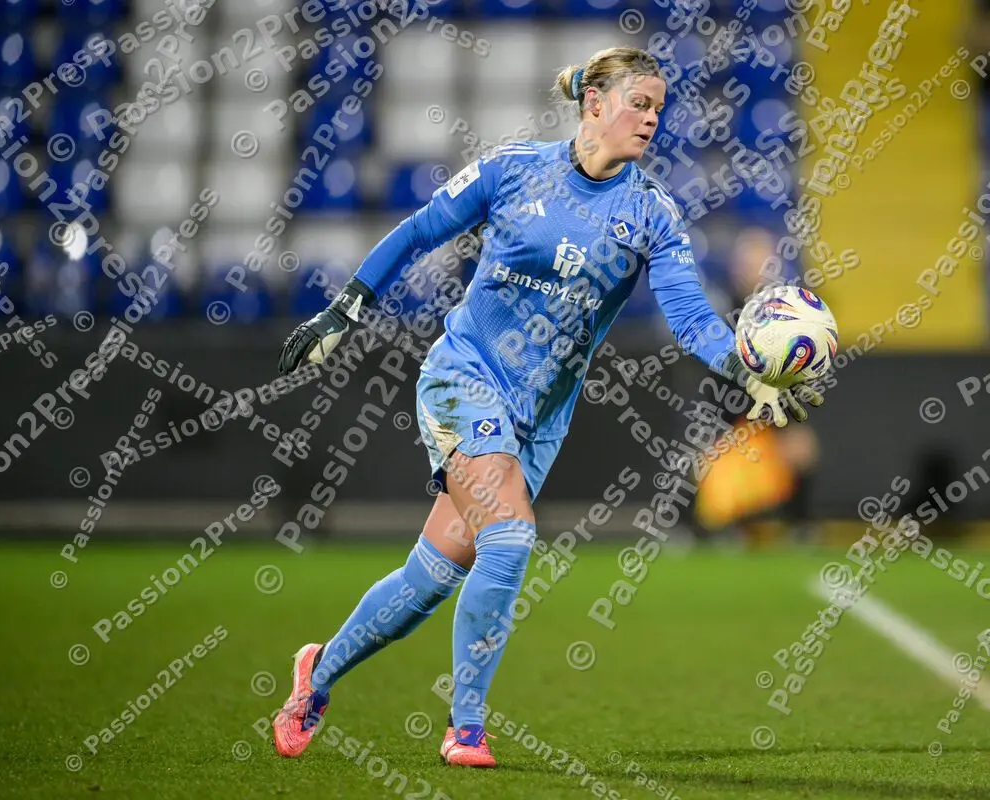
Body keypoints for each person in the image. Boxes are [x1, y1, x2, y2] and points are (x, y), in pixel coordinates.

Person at [271, 46, 824, 769]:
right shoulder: (512, 171)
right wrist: (342, 312)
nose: (652, 119)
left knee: (429, 578)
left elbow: (689, 316)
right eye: (640, 103)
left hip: (539, 416)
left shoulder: (652, 213)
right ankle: (465, 728)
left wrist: (749, 366)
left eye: (659, 107)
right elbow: (417, 232)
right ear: (595, 103)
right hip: (463, 376)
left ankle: (317, 675)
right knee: (510, 535)